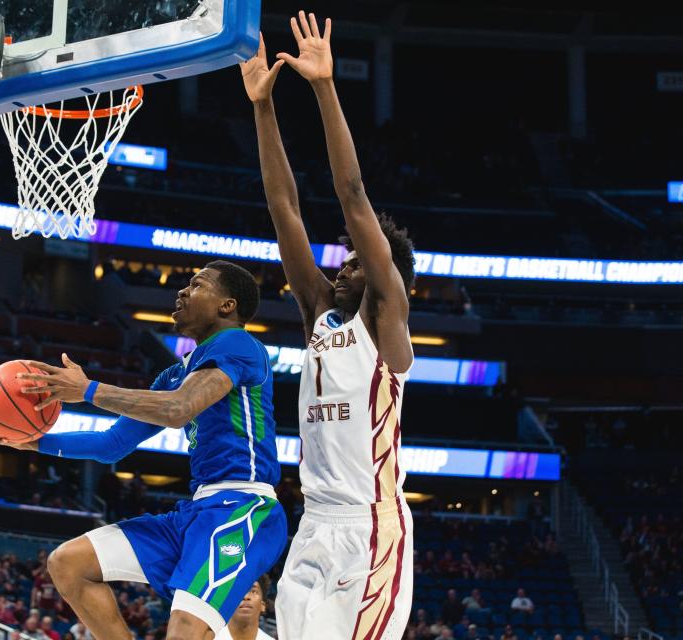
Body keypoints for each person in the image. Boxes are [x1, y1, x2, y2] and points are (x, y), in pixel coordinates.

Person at [0, 260, 287, 640]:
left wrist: (89, 391)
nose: (181, 291)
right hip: (195, 514)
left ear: (227, 306)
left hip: (244, 509)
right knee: (68, 564)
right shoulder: (175, 374)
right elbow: (111, 446)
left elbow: (179, 410)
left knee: (183, 632)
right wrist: (34, 442)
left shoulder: (238, 344)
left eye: (197, 285)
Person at [241, 12, 416, 640]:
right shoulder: (322, 315)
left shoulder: (386, 322)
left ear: (385, 274)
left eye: (355, 263)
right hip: (315, 519)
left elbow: (352, 195)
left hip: (370, 530)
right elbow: (284, 205)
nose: (340, 269)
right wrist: (263, 108)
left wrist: (323, 86)